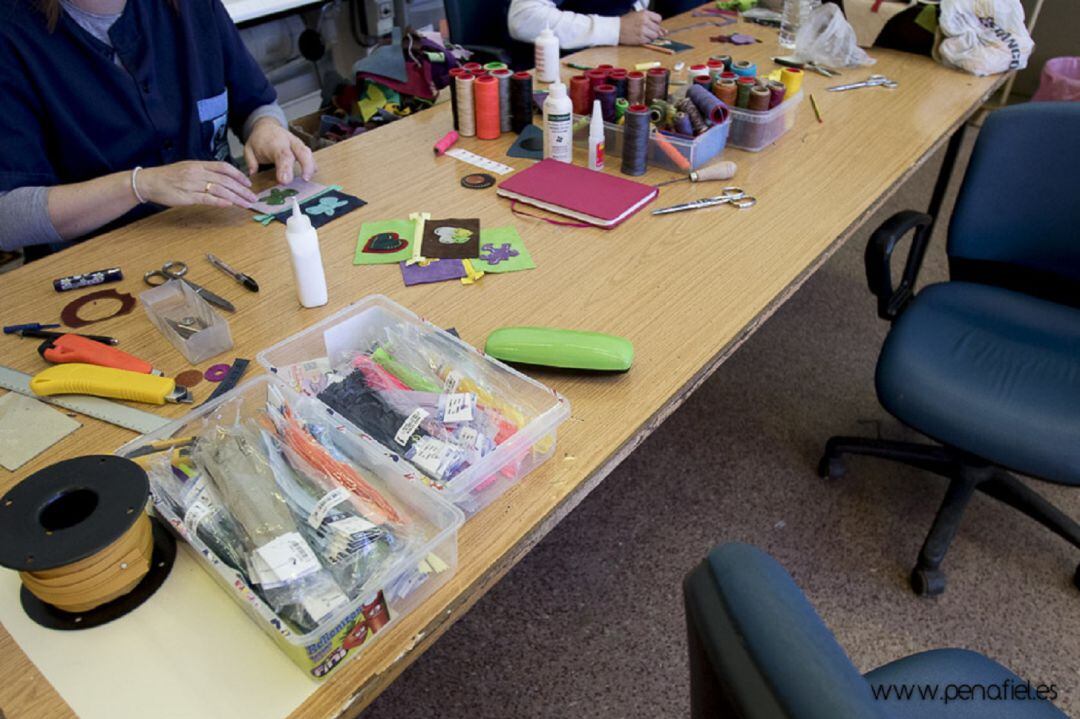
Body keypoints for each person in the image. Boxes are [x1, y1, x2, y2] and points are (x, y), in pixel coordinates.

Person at [0, 0, 317, 260]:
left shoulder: (191, 7)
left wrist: (266, 128)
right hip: (100, 270)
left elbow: (257, 105)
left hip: (221, 239)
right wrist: (139, 185)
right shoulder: (12, 33)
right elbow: (8, 218)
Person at [507, 0, 667, 50]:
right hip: (557, 69)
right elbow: (524, 18)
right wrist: (615, 28)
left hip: (611, 53)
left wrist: (636, 14)